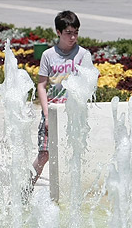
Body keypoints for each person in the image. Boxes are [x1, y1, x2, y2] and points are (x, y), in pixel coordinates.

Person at [31, 10, 95, 184]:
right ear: (58, 32)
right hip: (53, 107)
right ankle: (26, 189)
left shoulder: (83, 55)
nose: (73, 37)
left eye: (76, 33)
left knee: (77, 153)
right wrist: (46, 114)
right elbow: (41, 85)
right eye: (68, 33)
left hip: (74, 110)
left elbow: (89, 84)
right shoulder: (48, 55)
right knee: (44, 154)